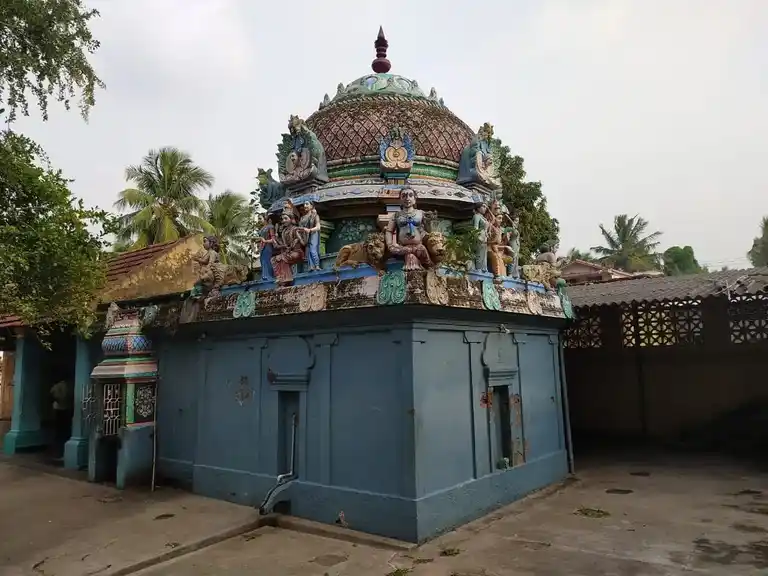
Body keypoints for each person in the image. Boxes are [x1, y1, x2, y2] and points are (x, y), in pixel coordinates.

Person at [50, 378, 72, 458]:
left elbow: (52, 394)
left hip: (58, 408)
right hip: (66, 408)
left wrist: (58, 400)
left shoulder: (57, 386)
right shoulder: (68, 385)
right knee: (65, 430)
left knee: (59, 431)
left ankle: (58, 451)